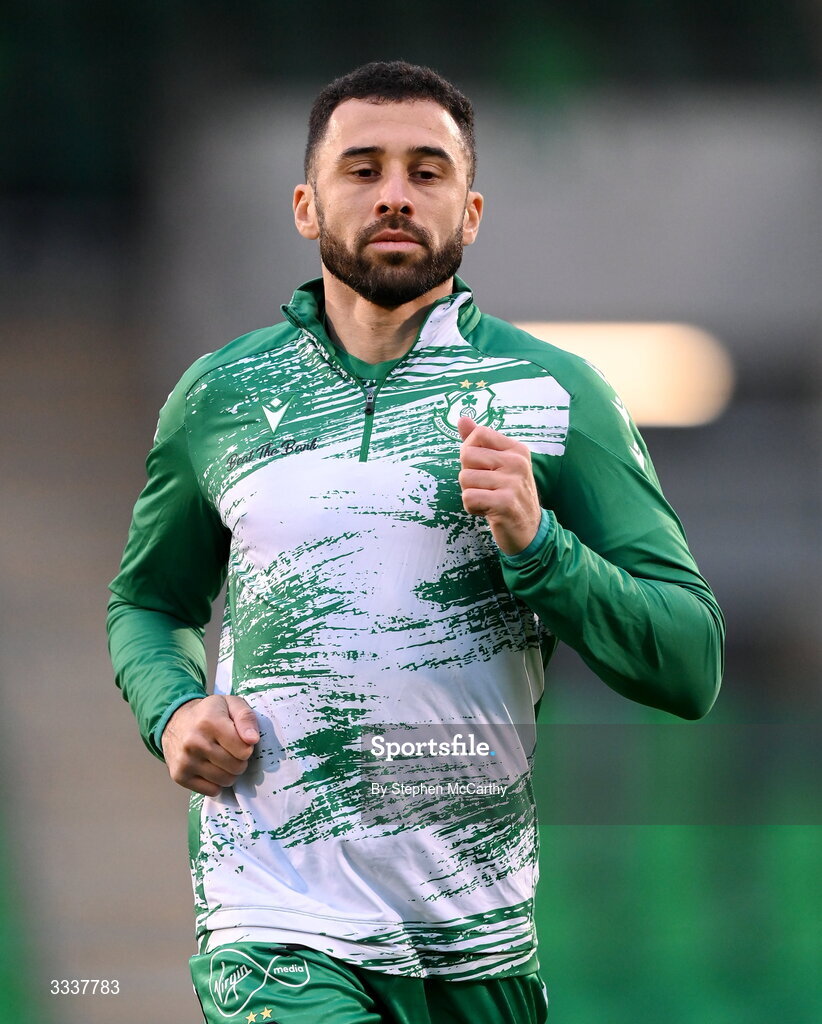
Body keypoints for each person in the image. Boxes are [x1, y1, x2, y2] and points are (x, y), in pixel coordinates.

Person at [107, 60, 724, 1024]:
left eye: (426, 172)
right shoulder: (218, 398)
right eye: (364, 168)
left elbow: (690, 663)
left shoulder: (556, 396)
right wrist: (175, 709)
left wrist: (540, 545)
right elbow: (150, 602)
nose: (395, 193)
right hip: (273, 923)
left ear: (470, 213)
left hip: (477, 945)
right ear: (307, 207)